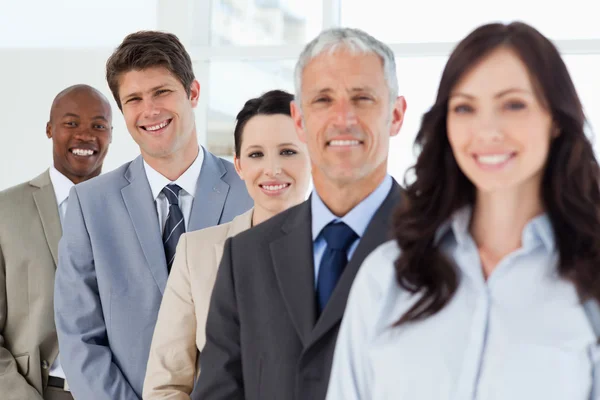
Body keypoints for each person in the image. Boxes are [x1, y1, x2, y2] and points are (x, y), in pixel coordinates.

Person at [326, 21, 599, 400]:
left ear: (555, 118)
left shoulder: (590, 283)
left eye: (514, 104)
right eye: (465, 107)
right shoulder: (387, 276)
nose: (487, 129)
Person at [192, 27, 406, 400]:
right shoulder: (246, 256)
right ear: (300, 119)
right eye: (323, 100)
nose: (343, 118)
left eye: (362, 98)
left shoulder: (444, 243)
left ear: (396, 114)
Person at [53, 31, 252, 400]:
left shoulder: (251, 192)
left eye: (162, 92)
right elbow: (79, 337)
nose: (150, 110)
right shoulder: (89, 204)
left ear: (192, 93)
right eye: (134, 99)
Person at [143, 89, 312, 399]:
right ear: (238, 165)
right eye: (256, 154)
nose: (272, 169)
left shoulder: (346, 248)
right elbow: (165, 383)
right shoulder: (198, 253)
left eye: (288, 151)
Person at [0, 84, 112, 400]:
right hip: (36, 391)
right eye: (71, 123)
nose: (85, 135)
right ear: (50, 129)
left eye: (98, 125)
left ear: (111, 134)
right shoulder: (5, 211)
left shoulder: (132, 210)